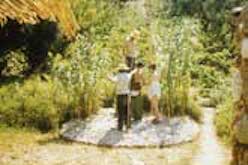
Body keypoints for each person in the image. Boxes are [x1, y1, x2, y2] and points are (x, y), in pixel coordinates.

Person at [108, 64, 133, 131]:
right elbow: (132, 73)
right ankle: (128, 125)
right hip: (127, 94)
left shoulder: (118, 76)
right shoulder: (128, 76)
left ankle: (120, 127)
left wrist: (108, 76)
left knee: (120, 111)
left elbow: (113, 80)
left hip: (120, 94)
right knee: (127, 110)